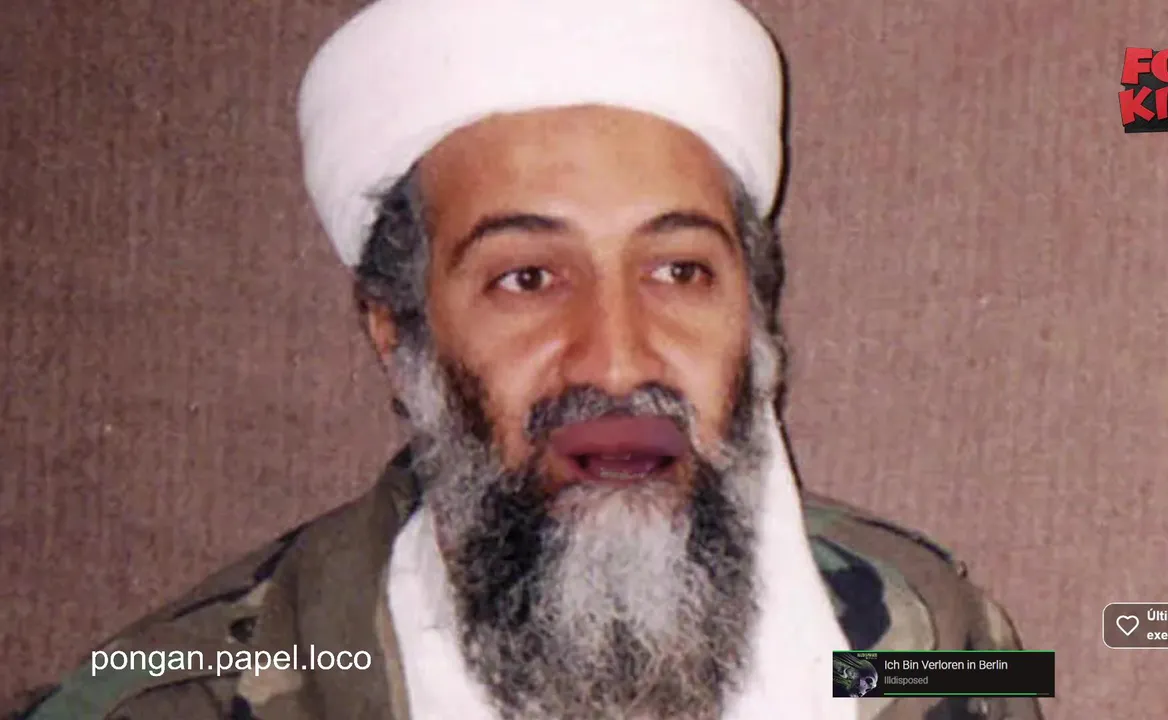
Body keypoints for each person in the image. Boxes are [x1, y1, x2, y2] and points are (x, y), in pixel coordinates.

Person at [6, 0, 1043, 718]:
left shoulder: (937, 633)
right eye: (528, 278)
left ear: (752, 318)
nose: (617, 360)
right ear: (397, 331)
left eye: (678, 271)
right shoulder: (172, 698)